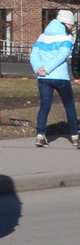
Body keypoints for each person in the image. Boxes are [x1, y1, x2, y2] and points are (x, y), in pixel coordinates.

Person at [30, 9, 79, 148]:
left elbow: (34, 54)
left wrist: (39, 68)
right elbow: (62, 55)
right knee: (69, 105)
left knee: (45, 106)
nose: (71, 28)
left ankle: (40, 136)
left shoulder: (42, 36)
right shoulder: (66, 37)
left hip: (43, 78)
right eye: (70, 25)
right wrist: (48, 68)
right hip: (60, 77)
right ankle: (75, 136)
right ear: (65, 23)